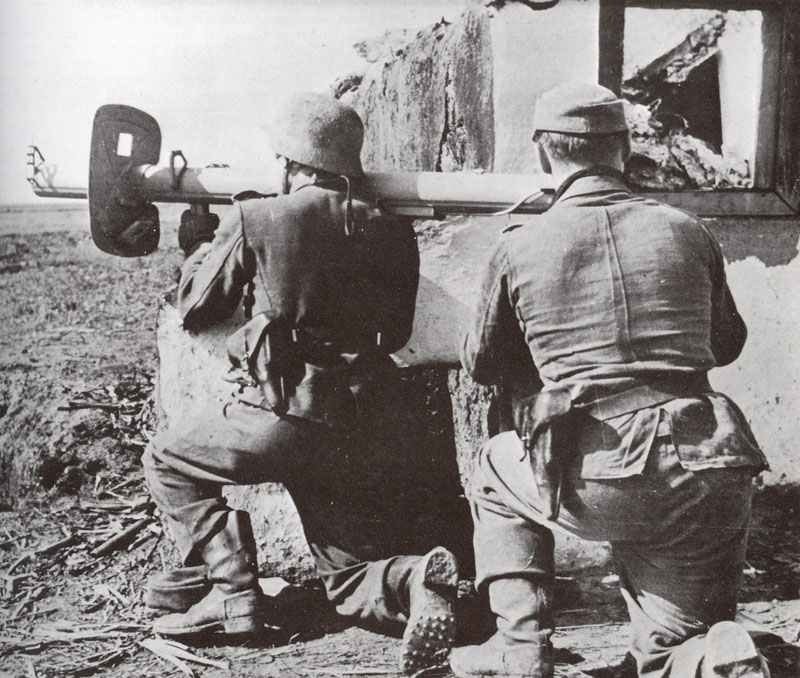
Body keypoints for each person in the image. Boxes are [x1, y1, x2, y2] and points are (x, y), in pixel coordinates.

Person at [449, 82, 772, 678]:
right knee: (666, 653)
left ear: (545, 153)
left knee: (494, 468)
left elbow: (482, 364)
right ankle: (714, 653)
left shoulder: (519, 246)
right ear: (623, 147)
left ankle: (522, 651)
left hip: (603, 470)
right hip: (710, 463)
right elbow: (727, 344)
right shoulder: (687, 229)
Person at [141, 92, 460, 674]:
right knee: (345, 578)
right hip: (360, 427)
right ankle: (415, 580)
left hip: (281, 415)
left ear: (290, 163)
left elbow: (196, 305)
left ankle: (232, 593)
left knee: (168, 460)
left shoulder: (257, 217)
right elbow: (395, 330)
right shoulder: (391, 230)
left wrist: (197, 245)